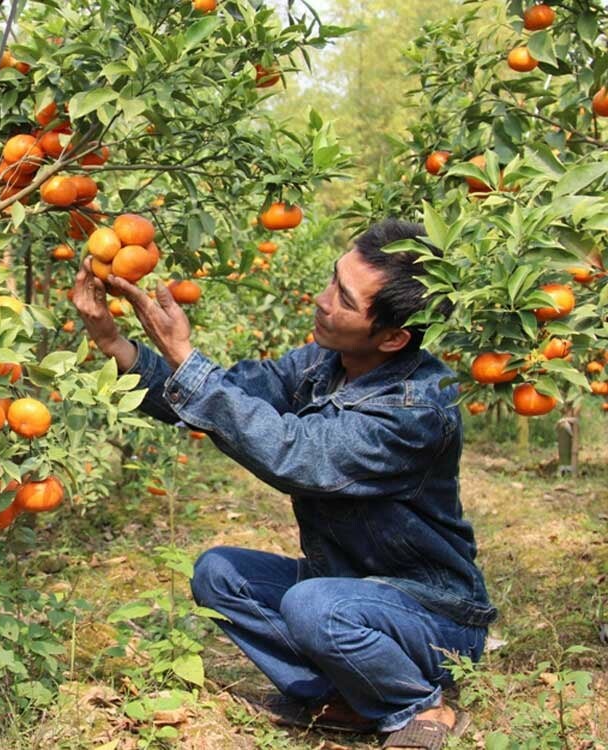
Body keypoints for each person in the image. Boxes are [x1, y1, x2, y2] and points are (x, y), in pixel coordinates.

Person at [72, 218, 496, 749]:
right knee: (220, 575)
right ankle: (344, 695)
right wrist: (114, 342)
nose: (321, 301)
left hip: (432, 618)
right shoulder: (325, 362)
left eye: (342, 297)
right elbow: (227, 395)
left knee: (313, 606)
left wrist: (185, 356)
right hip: (346, 587)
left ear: (393, 337)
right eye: (331, 280)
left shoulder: (417, 410)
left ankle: (416, 702)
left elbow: (296, 454)